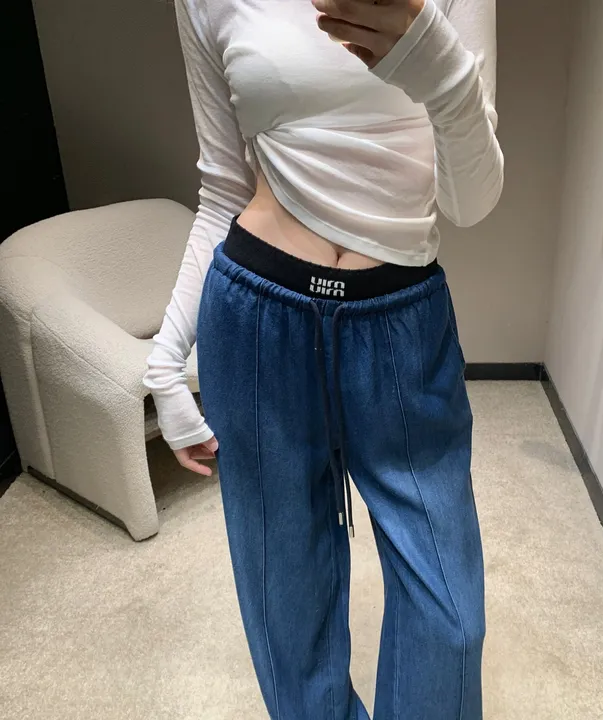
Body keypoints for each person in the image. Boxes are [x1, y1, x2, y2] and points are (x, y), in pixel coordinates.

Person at [145, 0, 503, 717]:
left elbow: (471, 202)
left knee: (451, 619)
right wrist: (165, 358)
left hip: (401, 321)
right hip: (256, 319)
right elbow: (222, 188)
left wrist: (436, 64)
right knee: (287, 608)